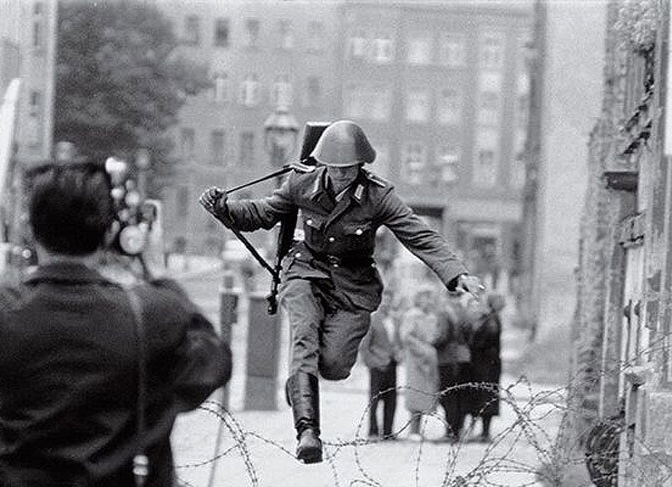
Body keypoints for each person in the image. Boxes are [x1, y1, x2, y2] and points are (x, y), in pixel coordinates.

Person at [200, 119, 484, 463]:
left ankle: (300, 382)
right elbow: (263, 213)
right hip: (305, 271)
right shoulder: (301, 183)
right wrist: (225, 208)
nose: (341, 175)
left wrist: (457, 274)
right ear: (323, 164)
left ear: (361, 165)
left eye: (348, 169)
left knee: (334, 366)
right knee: (303, 334)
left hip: (353, 287)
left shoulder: (378, 195)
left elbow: (418, 235)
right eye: (334, 168)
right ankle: (307, 432)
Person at [0, 161, 232, 487]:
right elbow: (213, 365)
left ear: (31, 229)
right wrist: (159, 273)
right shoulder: (152, 316)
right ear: (109, 233)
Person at [433, 291, 475, 443]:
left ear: (447, 297)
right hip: (464, 356)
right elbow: (471, 335)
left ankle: (450, 431)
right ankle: (459, 430)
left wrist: (432, 343)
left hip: (448, 358)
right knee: (460, 395)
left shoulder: (445, 312)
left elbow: (442, 336)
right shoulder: (466, 312)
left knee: (448, 396)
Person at [359, 292, 402, 440]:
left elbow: (398, 341)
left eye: (389, 300)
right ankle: (372, 431)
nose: (386, 303)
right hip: (377, 365)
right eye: (384, 300)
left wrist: (398, 354)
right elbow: (364, 346)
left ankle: (388, 431)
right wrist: (372, 363)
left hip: (392, 364)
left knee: (391, 399)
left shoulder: (395, 320)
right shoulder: (372, 320)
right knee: (374, 399)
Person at [401, 285, 441, 441]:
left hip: (429, 359)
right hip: (416, 359)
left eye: (430, 298)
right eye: (426, 297)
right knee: (415, 392)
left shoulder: (430, 316)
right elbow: (406, 336)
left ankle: (419, 429)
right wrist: (422, 349)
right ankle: (413, 429)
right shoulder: (412, 315)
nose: (429, 301)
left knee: (427, 392)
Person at [468, 292, 505, 443]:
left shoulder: (490, 319)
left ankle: (484, 431)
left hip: (486, 363)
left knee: (486, 397)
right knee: (484, 396)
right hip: (486, 363)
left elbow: (484, 339)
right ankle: (483, 431)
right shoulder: (490, 319)